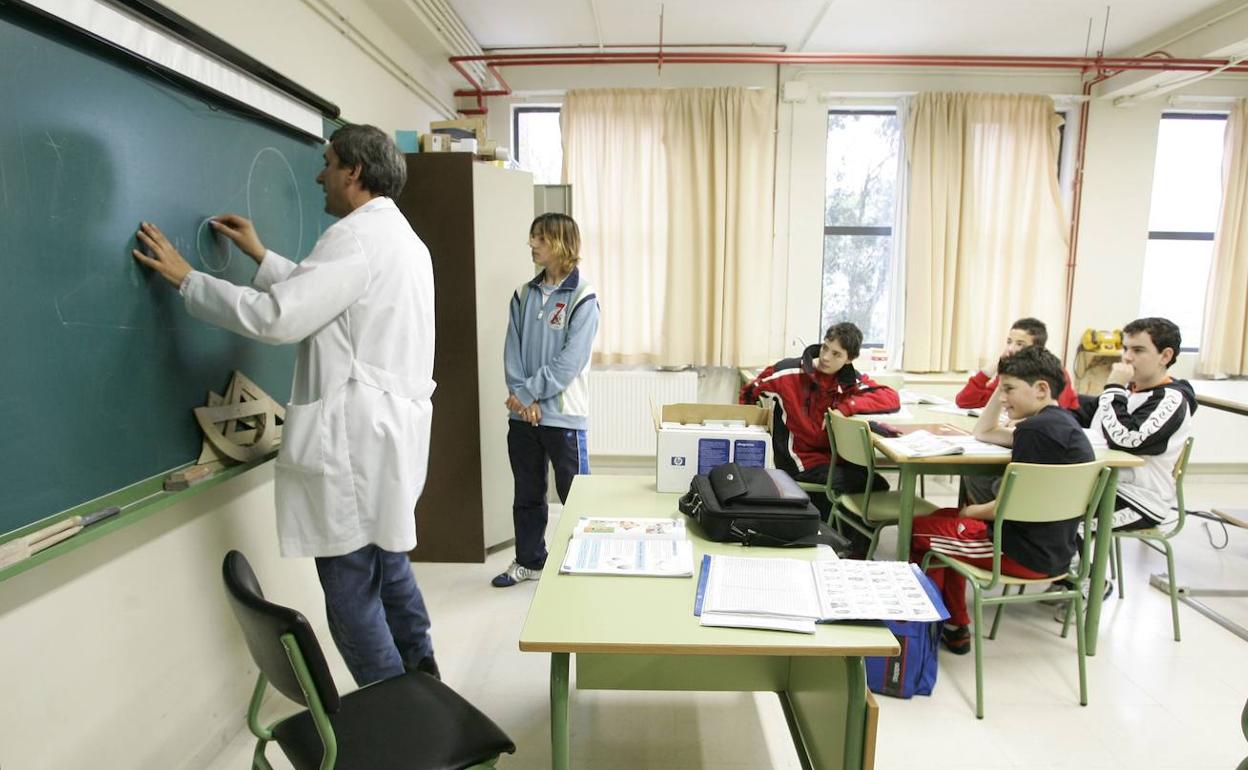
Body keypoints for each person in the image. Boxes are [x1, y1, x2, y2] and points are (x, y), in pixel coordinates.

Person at [131, 124, 439, 686]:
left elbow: (279, 318)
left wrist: (189, 281)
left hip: (354, 446)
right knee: (390, 572)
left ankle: (398, 723)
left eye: (327, 162)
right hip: (388, 442)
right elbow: (329, 298)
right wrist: (260, 255)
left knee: (351, 595)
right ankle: (426, 691)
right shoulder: (401, 240)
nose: (318, 174)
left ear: (354, 172)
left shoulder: (354, 238)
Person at [910, 346, 1094, 654]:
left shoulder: (1035, 432)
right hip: (1058, 550)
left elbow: (1004, 508)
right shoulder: (1060, 424)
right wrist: (1003, 390)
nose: (1003, 396)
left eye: (1009, 389)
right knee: (944, 516)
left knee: (918, 530)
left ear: (1041, 389)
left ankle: (932, 629)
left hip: (1017, 552)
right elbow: (984, 431)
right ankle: (950, 621)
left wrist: (970, 510)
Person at [492, 213, 600, 588]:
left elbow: (570, 361)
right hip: (524, 418)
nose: (532, 244)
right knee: (527, 494)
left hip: (563, 417)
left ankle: (585, 560)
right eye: (532, 237)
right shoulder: (523, 295)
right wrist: (524, 399)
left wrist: (527, 394)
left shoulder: (583, 298)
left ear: (560, 242)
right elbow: (512, 352)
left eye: (539, 238)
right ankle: (530, 561)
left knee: (575, 497)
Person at [740, 322, 899, 518]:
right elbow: (749, 391)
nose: (825, 357)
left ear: (849, 359)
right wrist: (756, 431)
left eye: (836, 354)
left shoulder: (849, 380)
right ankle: (850, 541)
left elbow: (890, 397)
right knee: (871, 484)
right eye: (825, 347)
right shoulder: (788, 372)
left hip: (831, 459)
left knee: (874, 481)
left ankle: (847, 537)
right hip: (798, 460)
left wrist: (846, 407)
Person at [1073, 317, 1196, 533]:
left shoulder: (1171, 399)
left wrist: (1113, 387)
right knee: (1043, 506)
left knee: (1063, 526)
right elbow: (1086, 414)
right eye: (1125, 348)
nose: (1127, 358)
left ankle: (1073, 566)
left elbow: (1125, 440)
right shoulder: (1129, 392)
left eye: (1138, 350)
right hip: (1101, 487)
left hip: (1138, 501)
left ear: (1165, 356)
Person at [956, 317, 1080, 410]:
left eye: (1020, 344)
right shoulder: (1011, 373)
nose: (1011, 348)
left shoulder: (1055, 373)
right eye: (1009, 342)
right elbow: (964, 401)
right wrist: (991, 368)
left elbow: (1057, 413)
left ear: (1037, 348)